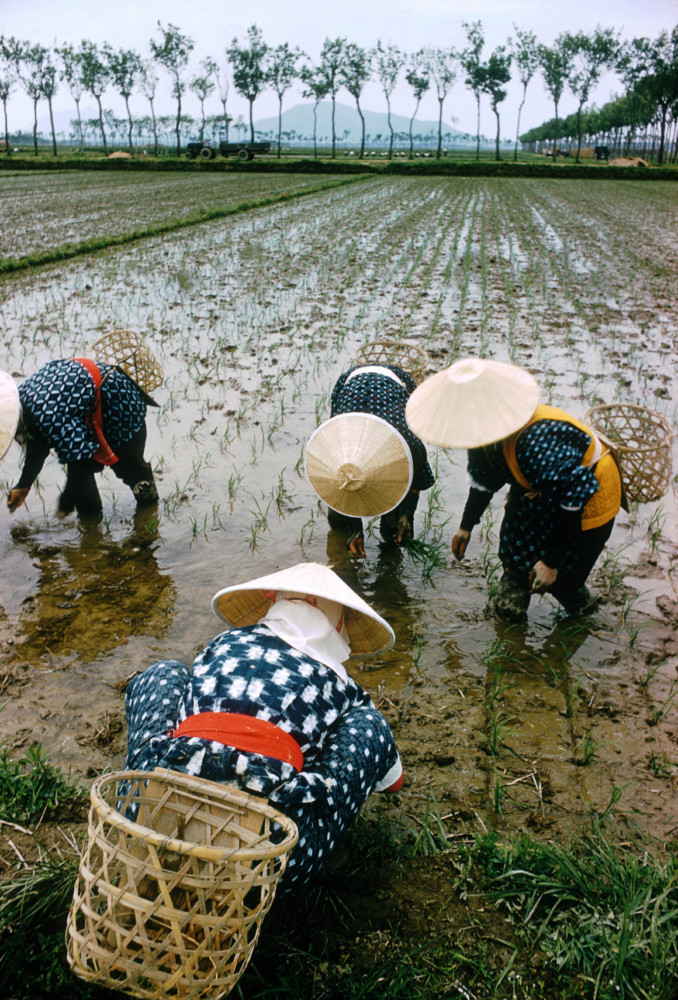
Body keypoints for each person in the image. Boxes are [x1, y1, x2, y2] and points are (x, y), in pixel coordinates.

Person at [123, 561, 404, 892]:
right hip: (271, 861)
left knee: (166, 672)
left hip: (147, 817)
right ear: (339, 625)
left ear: (272, 599)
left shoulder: (224, 644)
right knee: (368, 723)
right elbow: (394, 783)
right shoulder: (342, 685)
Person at [405, 357, 625, 622]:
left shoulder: (535, 442)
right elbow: (483, 480)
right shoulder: (483, 436)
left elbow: (571, 500)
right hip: (539, 483)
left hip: (584, 492)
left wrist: (550, 563)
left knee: (564, 577)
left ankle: (581, 608)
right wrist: (466, 526)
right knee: (516, 557)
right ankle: (513, 606)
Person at [306, 363, 435, 557]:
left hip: (395, 383)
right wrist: (354, 529)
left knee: (394, 527)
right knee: (341, 517)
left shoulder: (406, 443)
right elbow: (339, 487)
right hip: (350, 383)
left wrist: (406, 515)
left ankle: (391, 546)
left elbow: (418, 479)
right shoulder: (338, 443)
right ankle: (345, 539)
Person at [4, 357, 159, 517]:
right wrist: (23, 485)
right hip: (83, 410)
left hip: (117, 400)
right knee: (81, 483)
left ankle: (148, 515)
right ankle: (90, 519)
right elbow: (38, 444)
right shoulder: (21, 406)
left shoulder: (45, 414)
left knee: (131, 468)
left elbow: (79, 456)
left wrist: (67, 499)